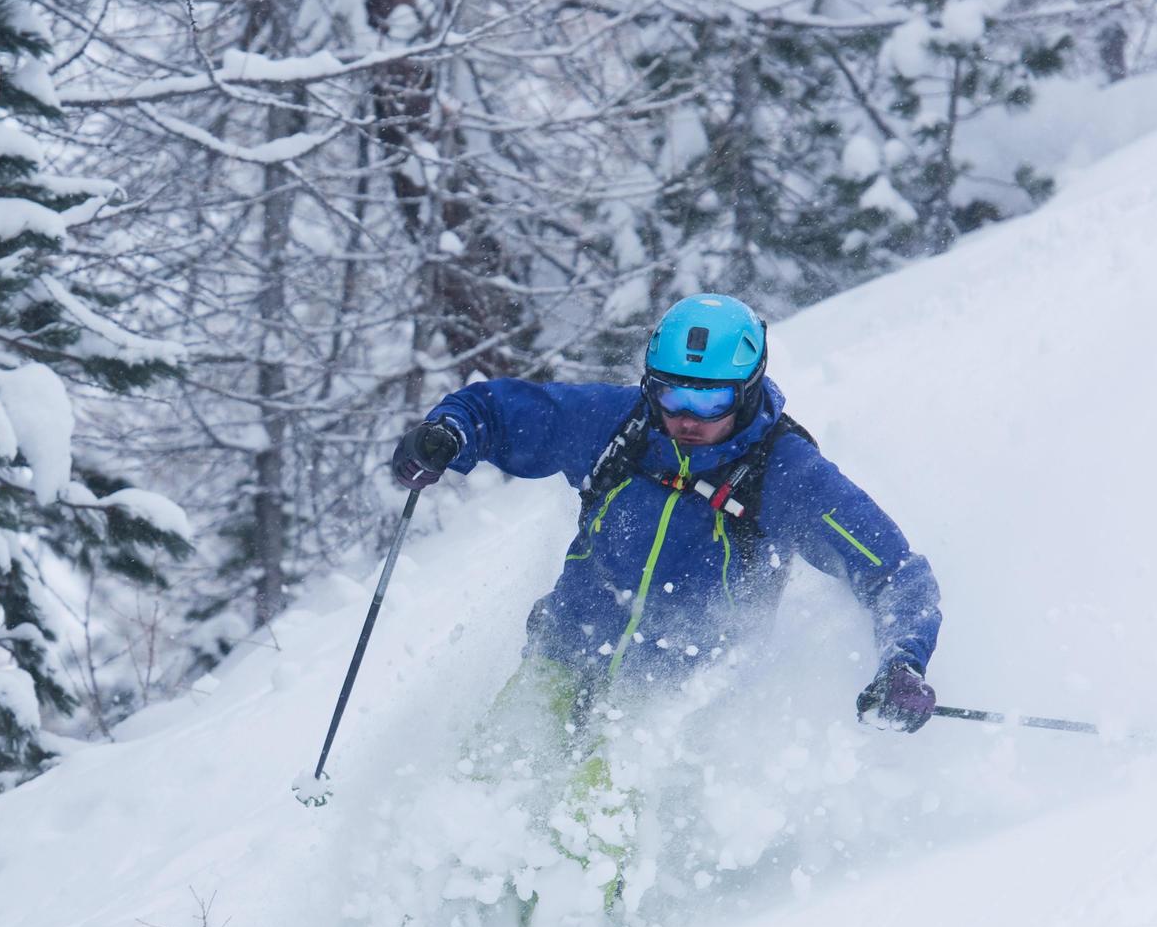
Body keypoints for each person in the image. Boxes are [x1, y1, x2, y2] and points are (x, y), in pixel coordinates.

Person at [389, 293, 941, 733]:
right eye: (671, 395)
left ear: (746, 393)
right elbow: (497, 410)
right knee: (486, 787)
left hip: (672, 702)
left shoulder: (787, 473)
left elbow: (891, 571)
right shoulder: (616, 424)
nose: (686, 418)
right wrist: (447, 434)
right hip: (562, 654)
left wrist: (904, 661)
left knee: (591, 825)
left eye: (709, 401)